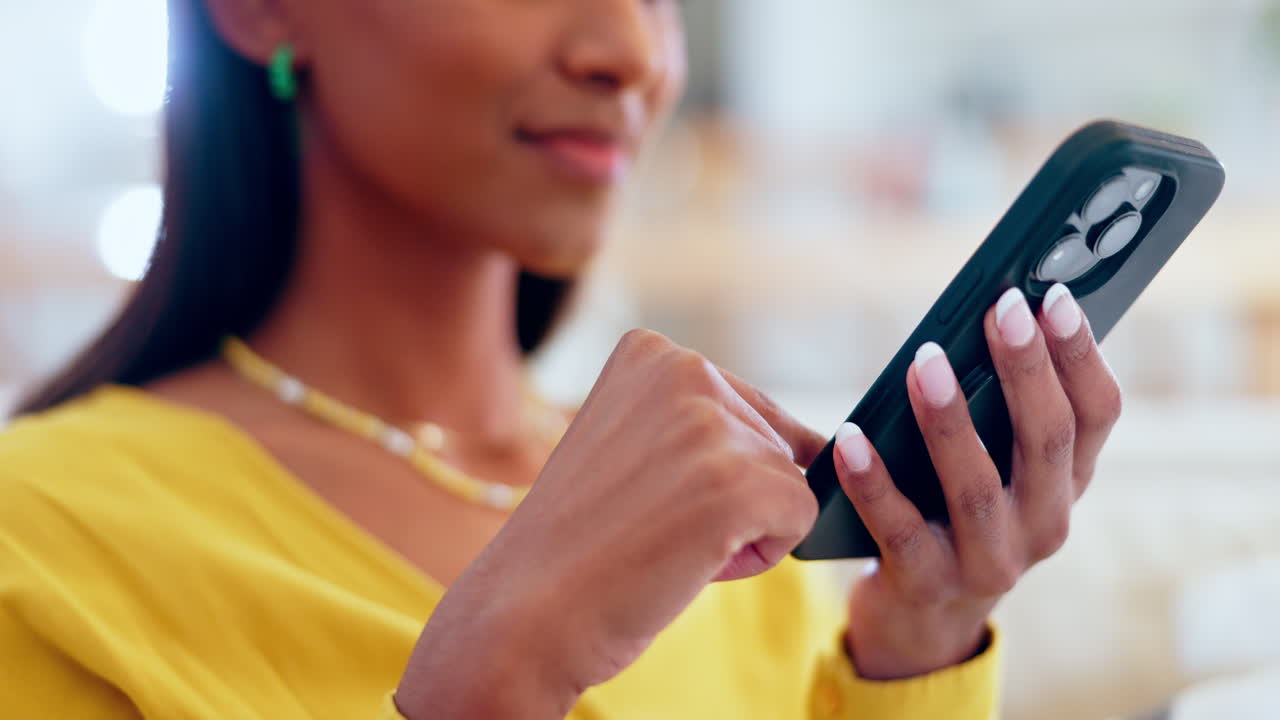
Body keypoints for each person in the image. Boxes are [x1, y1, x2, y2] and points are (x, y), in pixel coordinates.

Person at [0, 0, 1123, 717]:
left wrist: (917, 642)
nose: (631, 51)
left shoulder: (735, 519)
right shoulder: (42, 544)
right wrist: (494, 681)